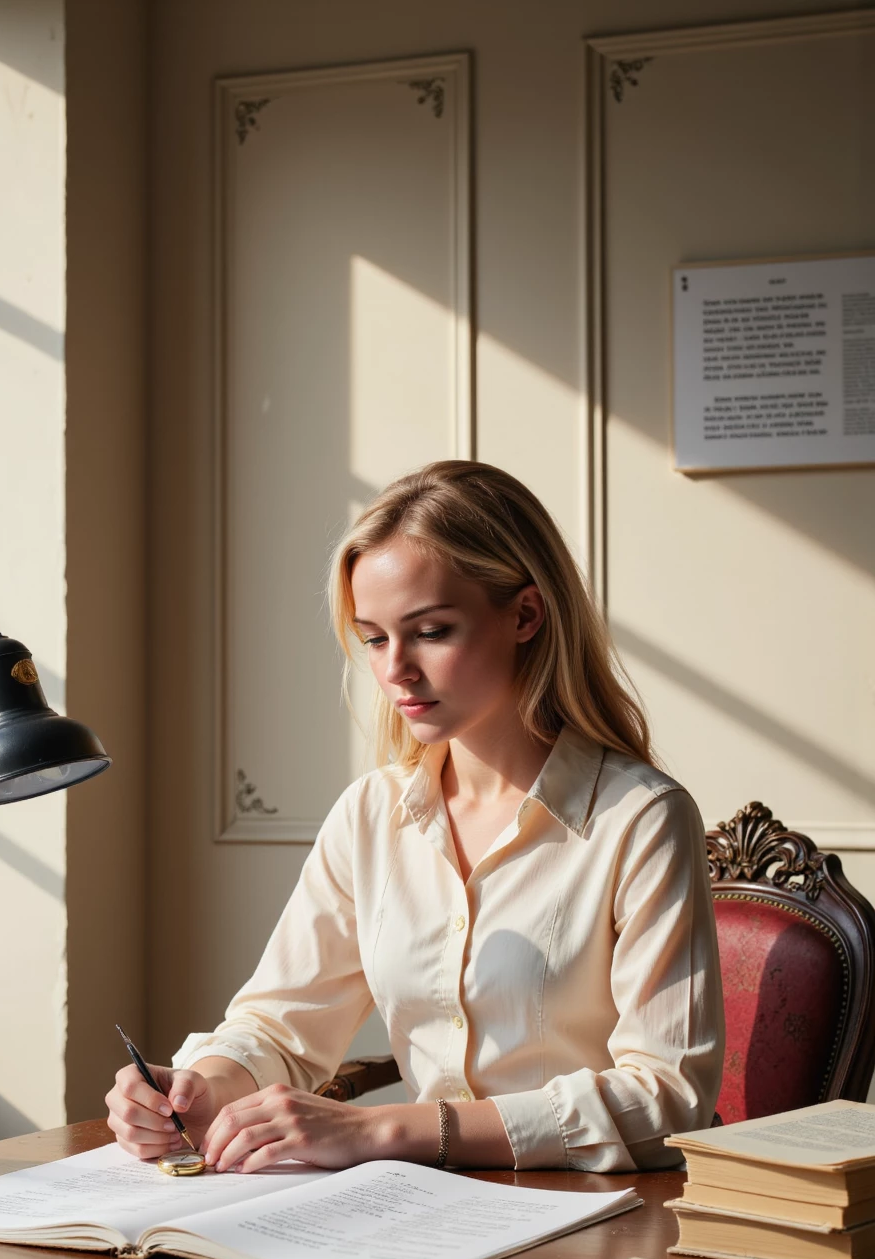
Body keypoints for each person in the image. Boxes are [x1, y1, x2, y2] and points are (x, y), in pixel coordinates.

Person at [107, 461, 724, 1174]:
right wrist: (198, 1088)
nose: (395, 668)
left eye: (429, 631)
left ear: (525, 615)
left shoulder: (641, 819)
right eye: (373, 638)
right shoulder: (370, 817)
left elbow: (667, 1098)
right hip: (417, 1217)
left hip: (598, 1221)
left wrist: (388, 1131)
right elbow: (279, 1024)